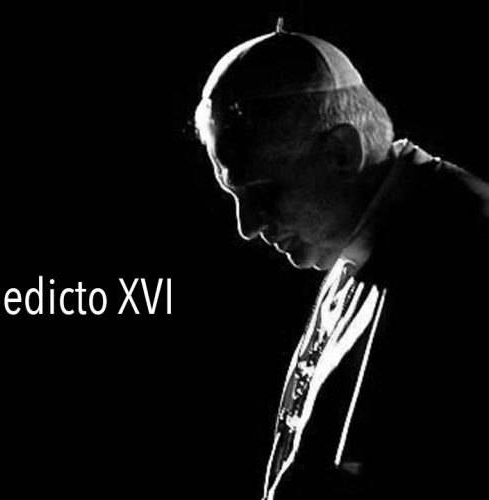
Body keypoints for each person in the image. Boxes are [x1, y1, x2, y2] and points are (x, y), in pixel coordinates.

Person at [195, 24, 489, 499]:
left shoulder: (463, 245)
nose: (246, 226)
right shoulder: (364, 239)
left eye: (262, 190)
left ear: (341, 152)